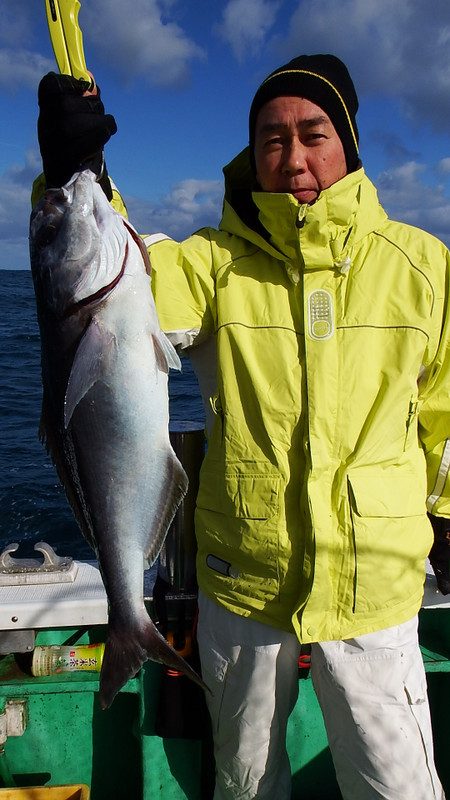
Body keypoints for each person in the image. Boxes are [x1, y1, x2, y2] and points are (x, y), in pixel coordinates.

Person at [35, 54, 450, 800]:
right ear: (252, 155)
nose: (292, 157)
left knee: (398, 788)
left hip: (377, 589)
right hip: (243, 585)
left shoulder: (423, 266)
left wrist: (448, 520)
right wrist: (76, 174)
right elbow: (114, 278)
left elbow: (448, 415)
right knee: (246, 784)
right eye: (271, 139)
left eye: (312, 133)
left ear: (348, 143)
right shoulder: (216, 263)